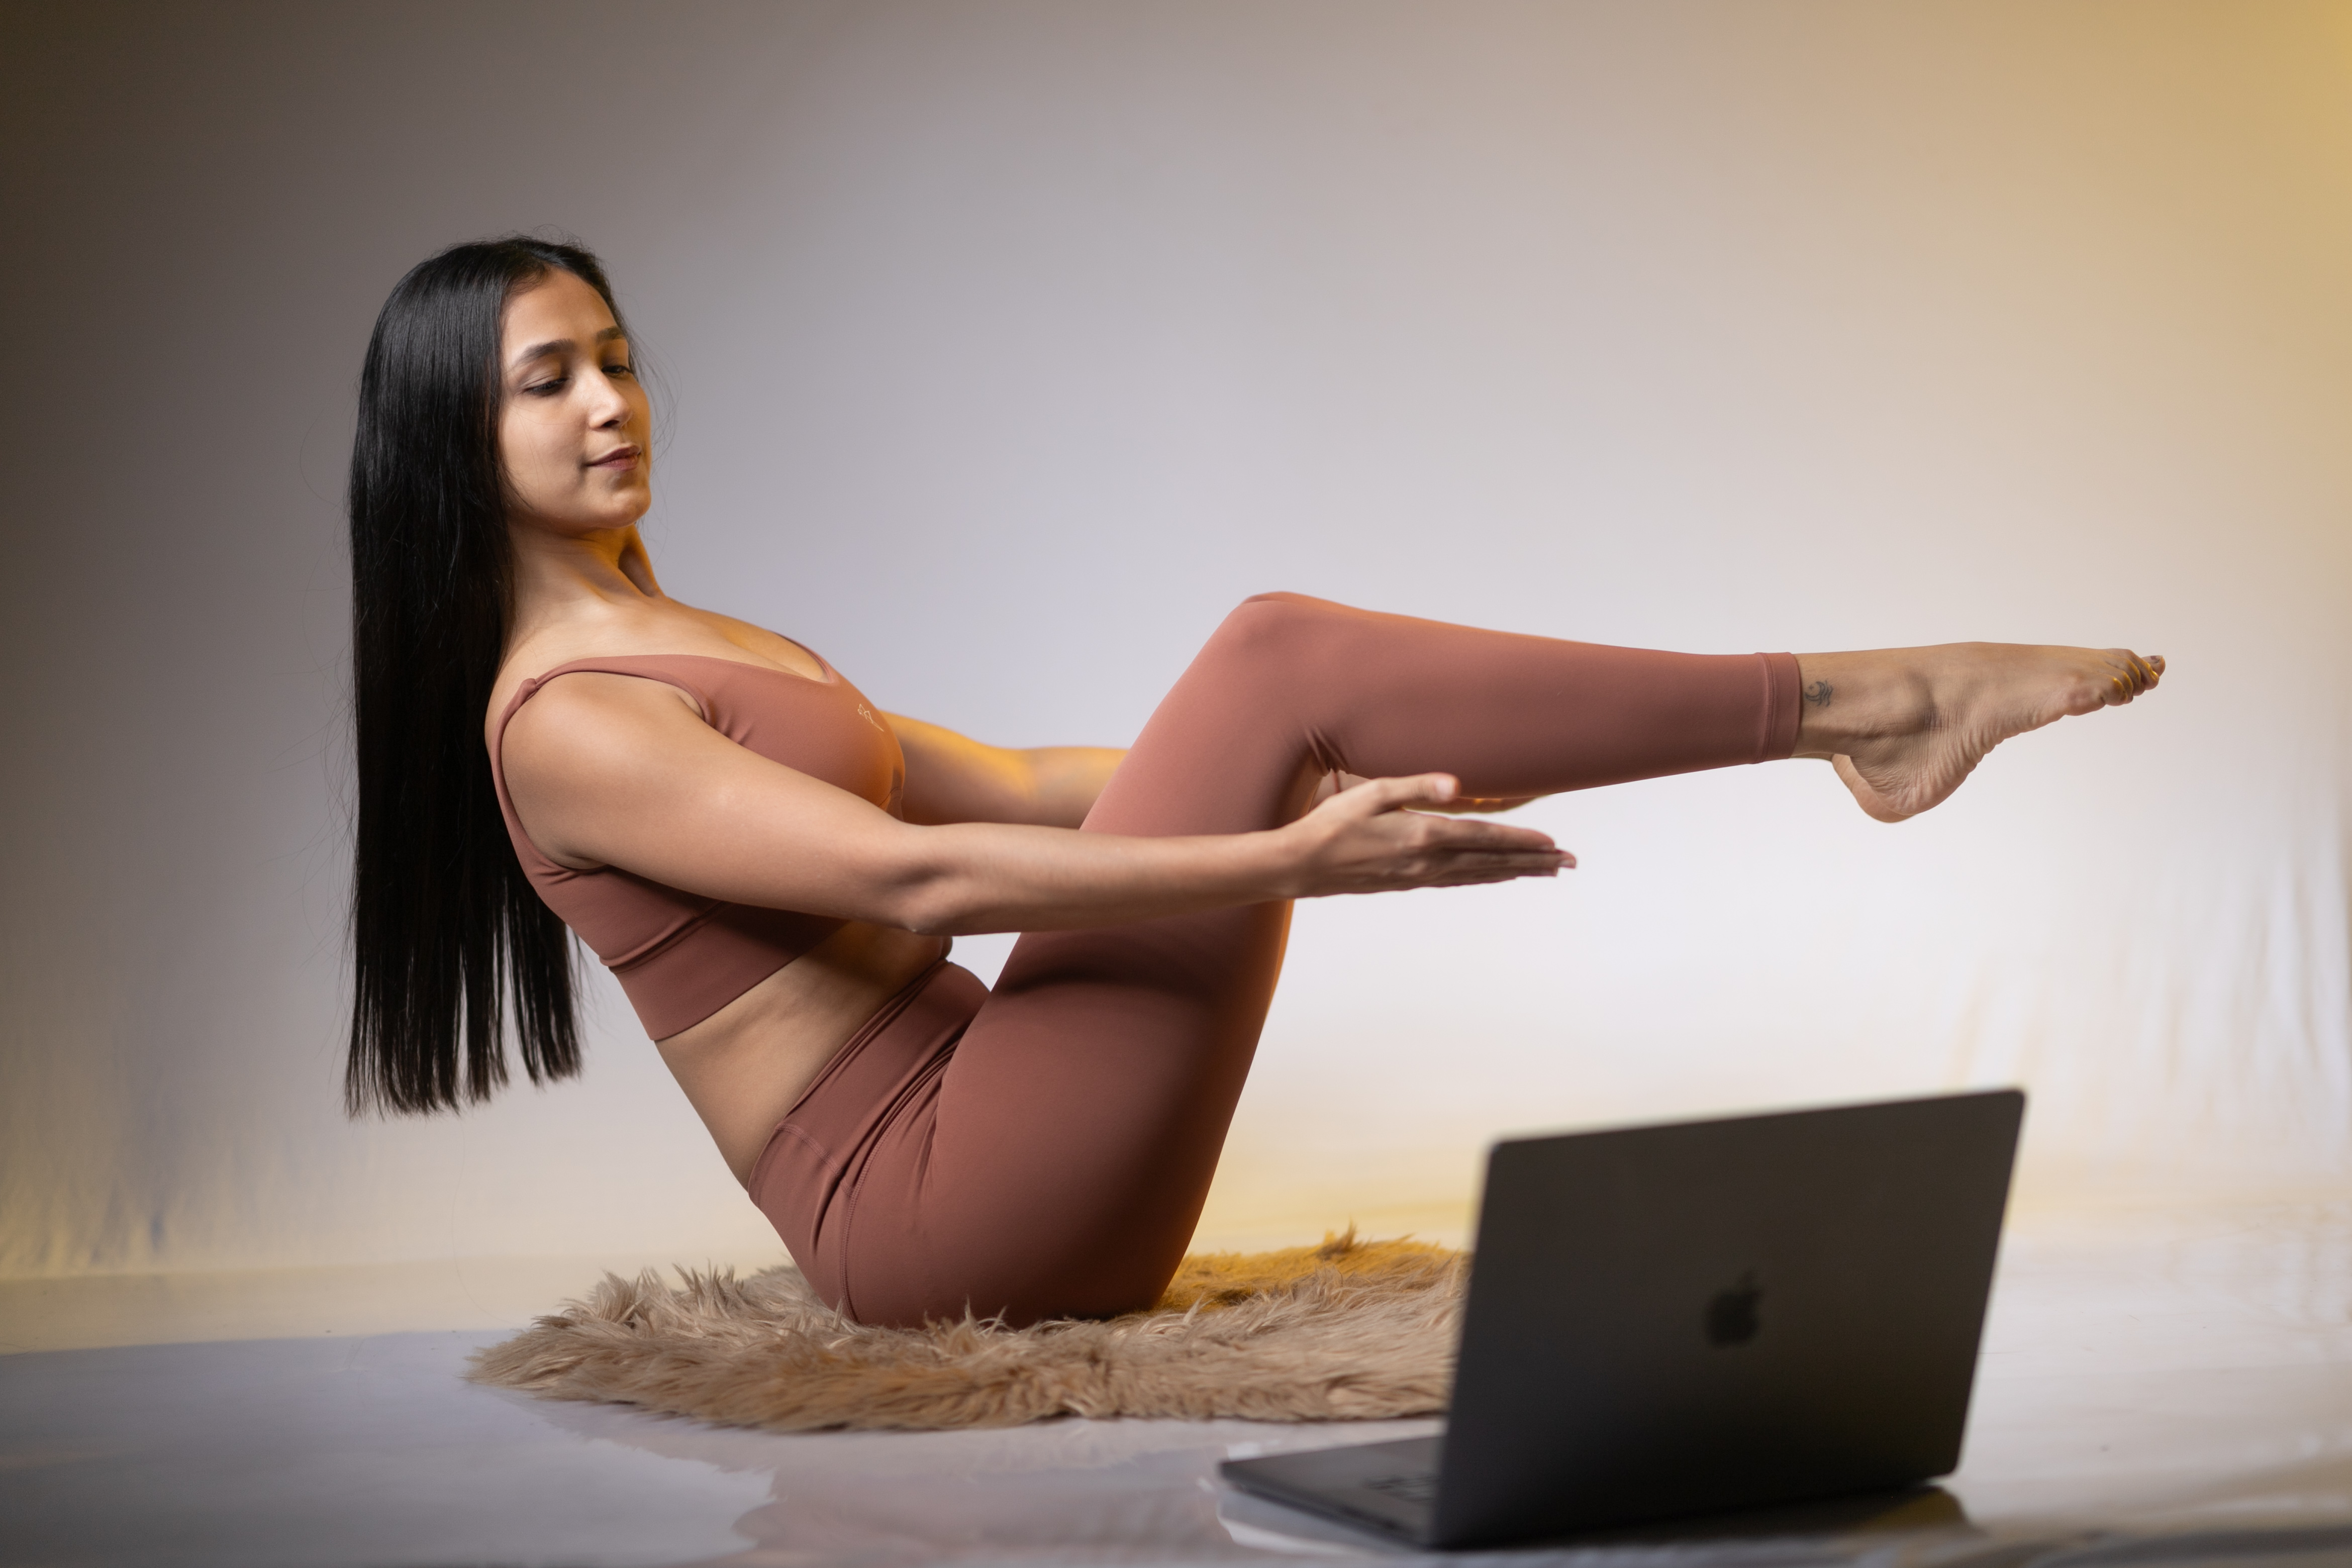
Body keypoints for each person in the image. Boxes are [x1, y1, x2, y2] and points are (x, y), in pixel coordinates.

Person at [345, 237, 2163, 1329]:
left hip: (992, 1121)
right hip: (933, 1221)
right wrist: (1285, 848)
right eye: (546, 382)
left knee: (1288, 680)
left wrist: (1293, 778)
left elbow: (1021, 786)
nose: (610, 403)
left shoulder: (696, 639)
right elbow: (920, 885)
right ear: (457, 439)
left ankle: (1859, 711)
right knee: (1283, 654)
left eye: (620, 358)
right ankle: (1871, 701)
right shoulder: (561, 720)